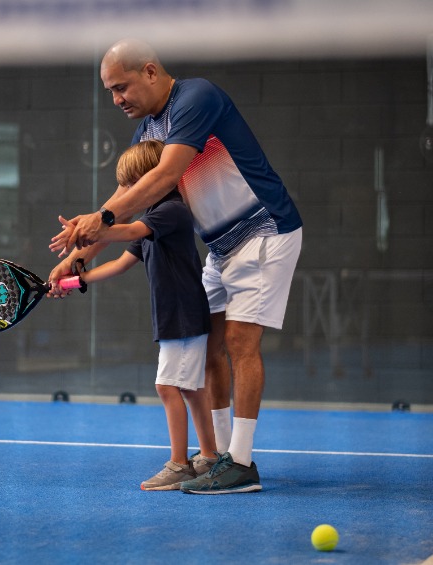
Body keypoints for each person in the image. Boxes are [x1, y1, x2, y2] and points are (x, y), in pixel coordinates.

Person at [48, 39, 303, 494]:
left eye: (121, 86)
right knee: (207, 350)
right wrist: (76, 256)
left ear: (150, 72)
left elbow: (163, 178)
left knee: (241, 342)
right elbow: (129, 197)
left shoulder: (196, 97)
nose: (116, 99)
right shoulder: (146, 130)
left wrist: (101, 222)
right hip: (221, 248)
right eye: (109, 91)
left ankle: (241, 463)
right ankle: (219, 457)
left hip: (266, 228)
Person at [74, 139, 218, 490]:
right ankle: (211, 457)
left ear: (153, 180)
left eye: (132, 185)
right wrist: (78, 278)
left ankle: (180, 465)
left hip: (183, 314)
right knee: (192, 389)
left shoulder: (171, 211)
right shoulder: (152, 217)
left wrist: (90, 226)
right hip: (178, 315)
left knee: (167, 386)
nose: (127, 194)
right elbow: (122, 262)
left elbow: (128, 231)